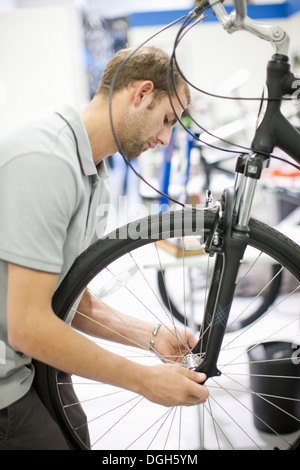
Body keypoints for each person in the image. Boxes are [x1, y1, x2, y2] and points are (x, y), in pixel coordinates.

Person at [0, 46, 209, 450]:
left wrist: (153, 336)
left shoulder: (94, 173)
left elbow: (75, 301)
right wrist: (144, 380)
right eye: (167, 119)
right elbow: (27, 325)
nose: (166, 138)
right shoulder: (46, 161)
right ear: (142, 93)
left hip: (28, 363)